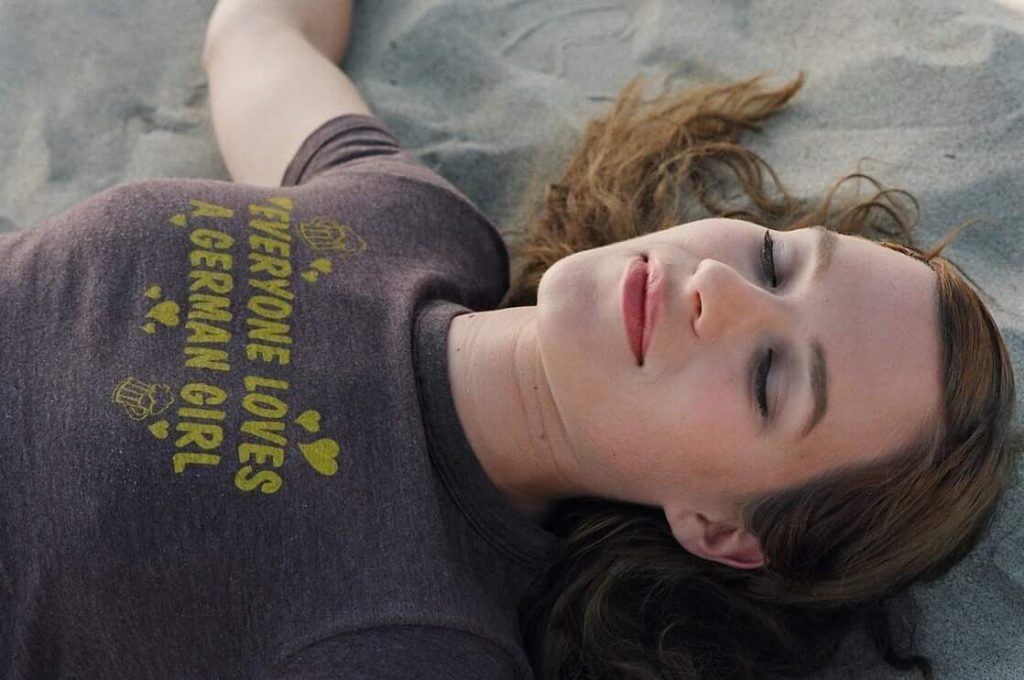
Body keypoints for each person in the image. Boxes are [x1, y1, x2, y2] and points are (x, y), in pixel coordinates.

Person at [0, 3, 1016, 680]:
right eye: (774, 260)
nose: (719, 289)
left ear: (719, 528)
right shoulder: (413, 222)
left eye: (769, 376)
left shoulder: (411, 632)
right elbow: (257, 35)